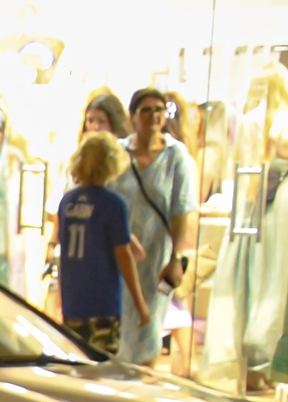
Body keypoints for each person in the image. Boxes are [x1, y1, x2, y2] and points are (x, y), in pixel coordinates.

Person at [110, 86, 199, 367]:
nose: (153, 117)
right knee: (119, 323)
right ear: (133, 116)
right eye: (145, 111)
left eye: (158, 111)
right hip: (120, 248)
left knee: (149, 324)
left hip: (156, 251)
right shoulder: (120, 153)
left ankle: (143, 381)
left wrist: (175, 258)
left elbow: (180, 209)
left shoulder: (176, 156)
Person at [54, 133, 150, 360]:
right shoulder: (113, 203)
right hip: (102, 303)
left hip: (73, 301)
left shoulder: (67, 201)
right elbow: (124, 254)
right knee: (100, 364)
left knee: (77, 361)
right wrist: (140, 304)